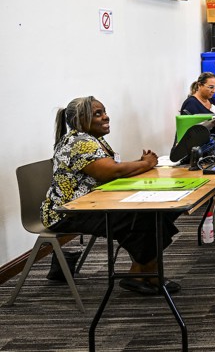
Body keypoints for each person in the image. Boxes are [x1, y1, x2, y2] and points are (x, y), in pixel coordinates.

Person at [41, 96, 180, 296]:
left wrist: (138, 163)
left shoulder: (92, 138)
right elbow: (110, 172)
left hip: (93, 203)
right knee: (144, 216)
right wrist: (146, 163)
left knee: (155, 214)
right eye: (98, 114)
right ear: (81, 119)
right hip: (68, 212)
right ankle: (144, 273)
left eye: (104, 111)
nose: (106, 117)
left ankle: (143, 272)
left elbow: (112, 169)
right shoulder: (81, 142)